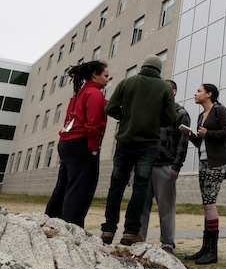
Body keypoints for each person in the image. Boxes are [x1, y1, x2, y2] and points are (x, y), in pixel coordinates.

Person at [100, 55, 176, 246]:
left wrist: (126, 117)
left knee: (116, 185)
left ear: (143, 66)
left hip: (125, 142)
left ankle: (108, 229)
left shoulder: (127, 82)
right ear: (159, 69)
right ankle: (130, 232)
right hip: (148, 144)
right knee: (140, 187)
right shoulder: (164, 88)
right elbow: (169, 118)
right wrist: (152, 121)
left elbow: (110, 107)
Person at [45, 60, 109, 228]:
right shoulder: (95, 94)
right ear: (95, 74)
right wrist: (94, 147)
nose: (107, 80)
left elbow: (69, 119)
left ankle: (51, 220)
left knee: (64, 185)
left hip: (66, 142)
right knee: (80, 188)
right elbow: (94, 123)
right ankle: (72, 226)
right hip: (82, 143)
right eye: (105, 76)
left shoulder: (79, 94)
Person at [182, 83, 226, 265]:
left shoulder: (219, 110)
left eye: (199, 91)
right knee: (206, 204)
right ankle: (205, 248)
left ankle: (212, 251)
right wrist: (191, 136)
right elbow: (202, 141)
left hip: (218, 162)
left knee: (210, 203)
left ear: (209, 94)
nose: (195, 94)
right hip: (204, 161)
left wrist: (208, 133)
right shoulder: (200, 116)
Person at [138, 79, 190, 254]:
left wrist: (176, 167)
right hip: (144, 165)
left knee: (166, 208)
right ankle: (138, 240)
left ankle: (167, 244)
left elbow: (183, 142)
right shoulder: (149, 111)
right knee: (141, 207)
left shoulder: (181, 113)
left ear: (173, 92)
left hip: (166, 167)